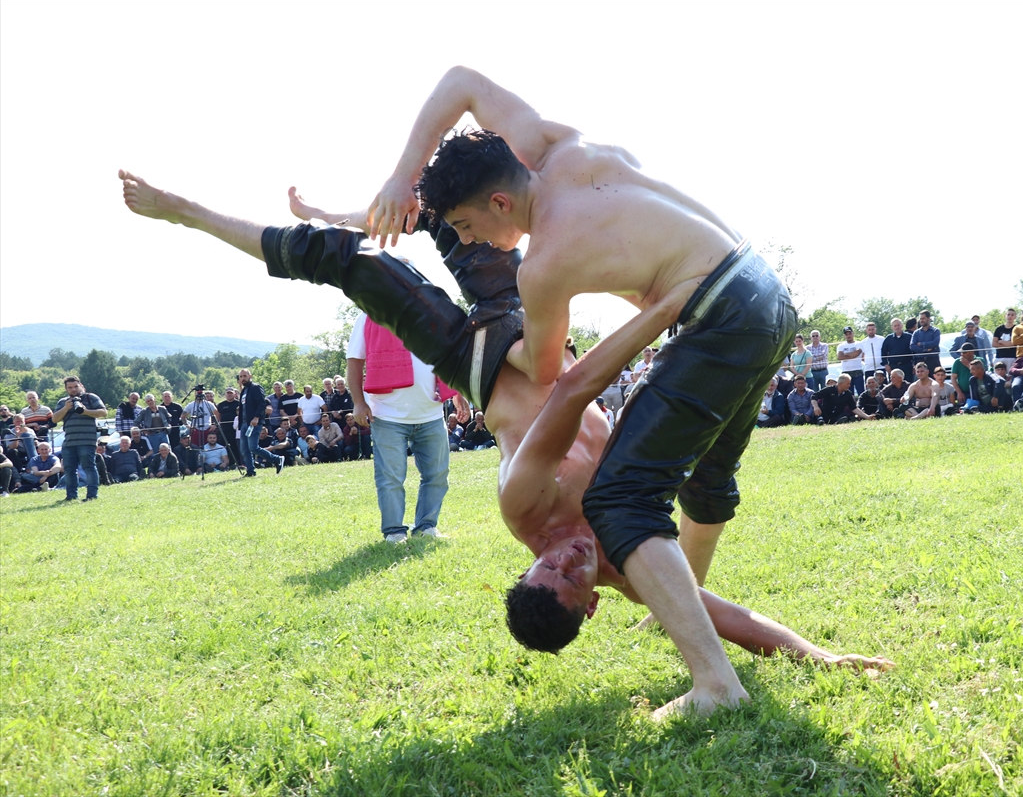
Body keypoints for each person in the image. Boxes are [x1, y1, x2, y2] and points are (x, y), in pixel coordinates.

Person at [120, 167, 890, 719]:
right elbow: (732, 618)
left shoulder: (523, 503)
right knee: (438, 226)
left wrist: (664, 309)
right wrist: (824, 658)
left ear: (530, 563)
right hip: (531, 334)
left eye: (546, 565)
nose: (566, 557)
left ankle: (195, 209)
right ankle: (256, 214)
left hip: (479, 358)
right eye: (569, 575)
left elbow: (579, 388)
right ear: (591, 607)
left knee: (372, 250)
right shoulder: (624, 559)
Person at [346, 311, 453, 542]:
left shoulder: (431, 313)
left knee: (437, 475)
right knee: (391, 477)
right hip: (387, 415)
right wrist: (358, 402)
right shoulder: (369, 315)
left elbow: (447, 356)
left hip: (431, 412)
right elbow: (354, 361)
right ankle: (394, 532)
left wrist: (457, 393)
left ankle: (426, 527)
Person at [50, 375, 106, 502]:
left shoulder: (91, 398)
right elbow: (54, 419)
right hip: (69, 441)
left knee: (89, 467)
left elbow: (103, 412)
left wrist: (85, 411)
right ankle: (71, 496)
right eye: (70, 387)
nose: (73, 389)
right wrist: (66, 408)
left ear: (80, 385)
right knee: (69, 469)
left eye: (76, 386)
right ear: (66, 389)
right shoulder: (62, 402)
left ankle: (92, 495)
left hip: (87, 440)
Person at [238, 368, 282, 476]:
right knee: (244, 450)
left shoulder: (256, 387)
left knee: (253, 447)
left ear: (250, 376)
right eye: (241, 376)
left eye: (245, 376)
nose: (243, 378)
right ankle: (250, 471)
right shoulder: (244, 391)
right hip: (244, 424)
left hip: (254, 423)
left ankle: (276, 459)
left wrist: (256, 417)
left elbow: (262, 403)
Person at [214, 387, 242, 465]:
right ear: (225, 394)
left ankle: (238, 462)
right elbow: (218, 415)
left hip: (236, 429)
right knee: (224, 446)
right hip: (224, 429)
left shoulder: (238, 403)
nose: (229, 395)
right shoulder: (221, 404)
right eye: (228, 393)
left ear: (234, 394)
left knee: (235, 446)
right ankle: (227, 463)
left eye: (231, 393)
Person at [881, 318, 914, 382]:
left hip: (907, 366)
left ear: (902, 326)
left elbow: (914, 352)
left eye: (898, 325)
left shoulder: (909, 337)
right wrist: (886, 365)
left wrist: (914, 365)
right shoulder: (888, 338)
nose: (897, 327)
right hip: (893, 367)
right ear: (892, 327)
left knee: (908, 386)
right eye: (895, 326)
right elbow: (883, 353)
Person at [836, 326, 866, 395]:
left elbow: (857, 353)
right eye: (846, 334)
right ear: (844, 335)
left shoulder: (859, 343)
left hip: (857, 370)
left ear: (853, 333)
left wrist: (845, 354)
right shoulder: (841, 346)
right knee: (848, 393)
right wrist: (852, 355)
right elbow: (840, 357)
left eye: (850, 333)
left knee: (861, 391)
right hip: (846, 372)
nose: (848, 335)